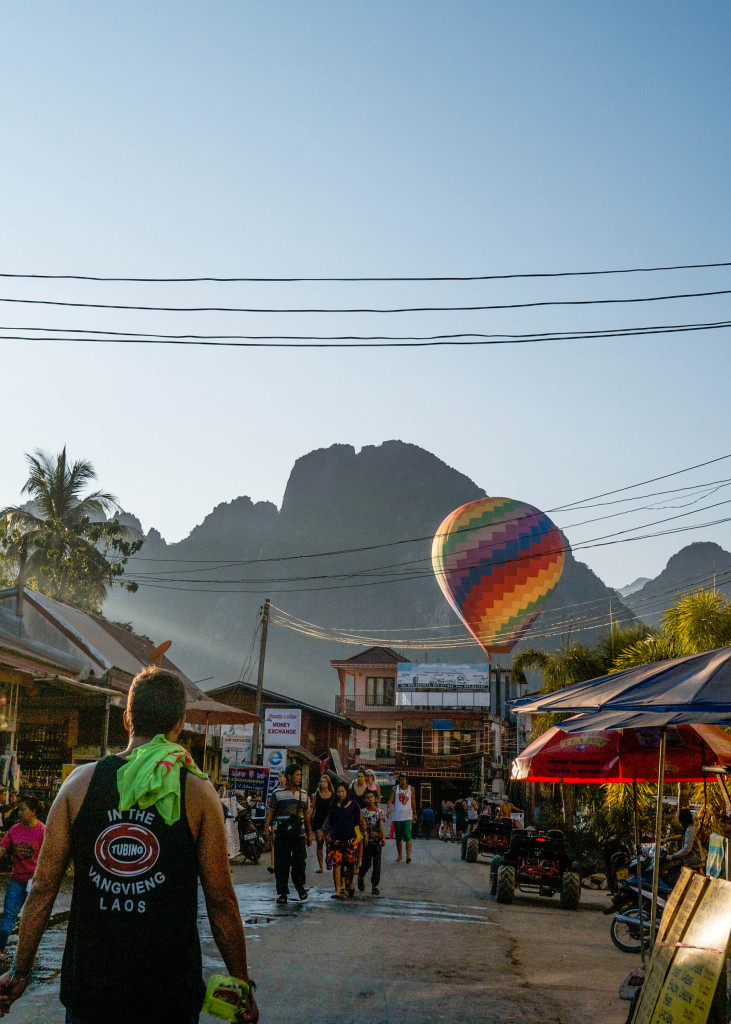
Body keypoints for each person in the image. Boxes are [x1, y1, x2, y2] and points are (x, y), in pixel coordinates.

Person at [0, 666, 258, 1024]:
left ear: (126, 719)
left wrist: (19, 971)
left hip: (91, 991)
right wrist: (241, 985)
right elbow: (221, 900)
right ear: (179, 724)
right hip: (168, 994)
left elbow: (42, 888)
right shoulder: (198, 793)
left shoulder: (79, 785)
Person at [0, 798, 45, 957]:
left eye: (23, 810)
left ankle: (28, 953)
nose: (19, 813)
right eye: (19, 810)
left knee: (32, 919)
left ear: (33, 812)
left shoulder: (43, 831)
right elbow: (2, 848)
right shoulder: (14, 830)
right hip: (16, 880)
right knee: (7, 919)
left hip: (35, 882)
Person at [265, 763, 313, 905]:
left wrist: (309, 834)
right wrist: (266, 828)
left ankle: (299, 885)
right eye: (297, 775)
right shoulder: (277, 794)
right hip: (282, 835)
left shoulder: (303, 795)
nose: (299, 778)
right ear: (290, 776)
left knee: (299, 863)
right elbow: (270, 812)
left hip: (299, 836)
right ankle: (283, 893)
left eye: (300, 775)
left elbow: (307, 817)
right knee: (281, 865)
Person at [324, 783, 360, 898]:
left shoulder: (354, 805)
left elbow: (357, 820)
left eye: (343, 791)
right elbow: (330, 820)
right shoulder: (333, 805)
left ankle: (350, 883)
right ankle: (337, 889)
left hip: (350, 838)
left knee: (350, 864)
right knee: (336, 864)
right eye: (338, 791)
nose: (341, 794)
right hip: (336, 838)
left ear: (347, 792)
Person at [358, 790, 385, 895]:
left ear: (375, 799)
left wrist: (383, 837)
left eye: (371, 797)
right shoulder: (362, 812)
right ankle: (361, 875)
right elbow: (360, 825)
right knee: (366, 863)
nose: (369, 799)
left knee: (377, 864)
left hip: (377, 840)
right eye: (367, 798)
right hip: (366, 841)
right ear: (365, 800)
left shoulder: (379, 812)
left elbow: (381, 824)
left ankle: (374, 886)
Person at [387, 773, 417, 864]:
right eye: (400, 778)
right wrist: (389, 809)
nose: (402, 780)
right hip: (397, 817)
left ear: (406, 779)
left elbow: (413, 801)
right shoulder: (395, 789)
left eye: (404, 778)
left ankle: (408, 856)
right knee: (398, 838)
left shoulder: (411, 789)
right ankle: (400, 855)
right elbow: (390, 801)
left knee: (408, 836)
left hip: (407, 817)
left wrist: (415, 813)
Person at [666, 808, 704, 879]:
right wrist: (668, 839)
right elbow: (684, 837)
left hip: (694, 862)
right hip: (692, 861)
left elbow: (687, 848)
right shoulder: (690, 828)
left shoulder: (690, 830)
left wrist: (673, 856)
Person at [310, 775, 335, 874]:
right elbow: (313, 808)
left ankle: (328, 861)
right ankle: (320, 866)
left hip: (329, 822)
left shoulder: (333, 795)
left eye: (324, 781)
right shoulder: (316, 794)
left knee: (329, 845)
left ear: (328, 783)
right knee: (320, 843)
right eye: (321, 781)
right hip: (319, 822)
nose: (322, 783)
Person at [267, 771, 287, 874]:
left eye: (281, 776)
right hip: (275, 818)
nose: (279, 778)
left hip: (285, 819)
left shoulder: (289, 791)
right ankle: (273, 864)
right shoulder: (275, 790)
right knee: (274, 841)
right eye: (278, 776)